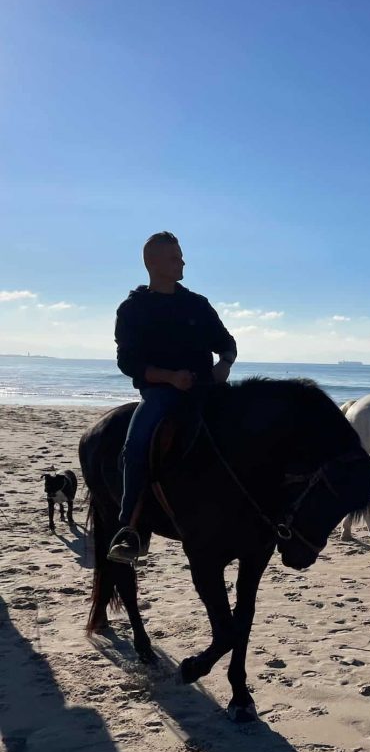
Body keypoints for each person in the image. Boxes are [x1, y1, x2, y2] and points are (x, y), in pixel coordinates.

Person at [108, 231, 237, 564]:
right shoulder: (134, 309)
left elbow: (225, 341)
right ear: (153, 263)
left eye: (181, 255)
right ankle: (130, 529)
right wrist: (169, 378)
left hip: (207, 391)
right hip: (161, 394)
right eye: (174, 257)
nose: (182, 261)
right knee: (135, 446)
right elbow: (128, 362)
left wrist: (224, 363)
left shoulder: (197, 304)